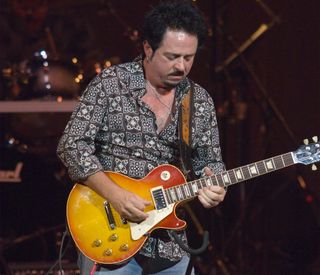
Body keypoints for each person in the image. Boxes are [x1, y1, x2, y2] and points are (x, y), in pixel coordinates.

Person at [57, 0, 226, 274]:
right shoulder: (111, 84)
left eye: (188, 57)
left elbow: (212, 162)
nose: (181, 67)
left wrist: (215, 186)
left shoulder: (199, 101)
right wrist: (116, 195)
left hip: (169, 244)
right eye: (172, 57)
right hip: (111, 238)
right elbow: (72, 146)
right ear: (148, 48)